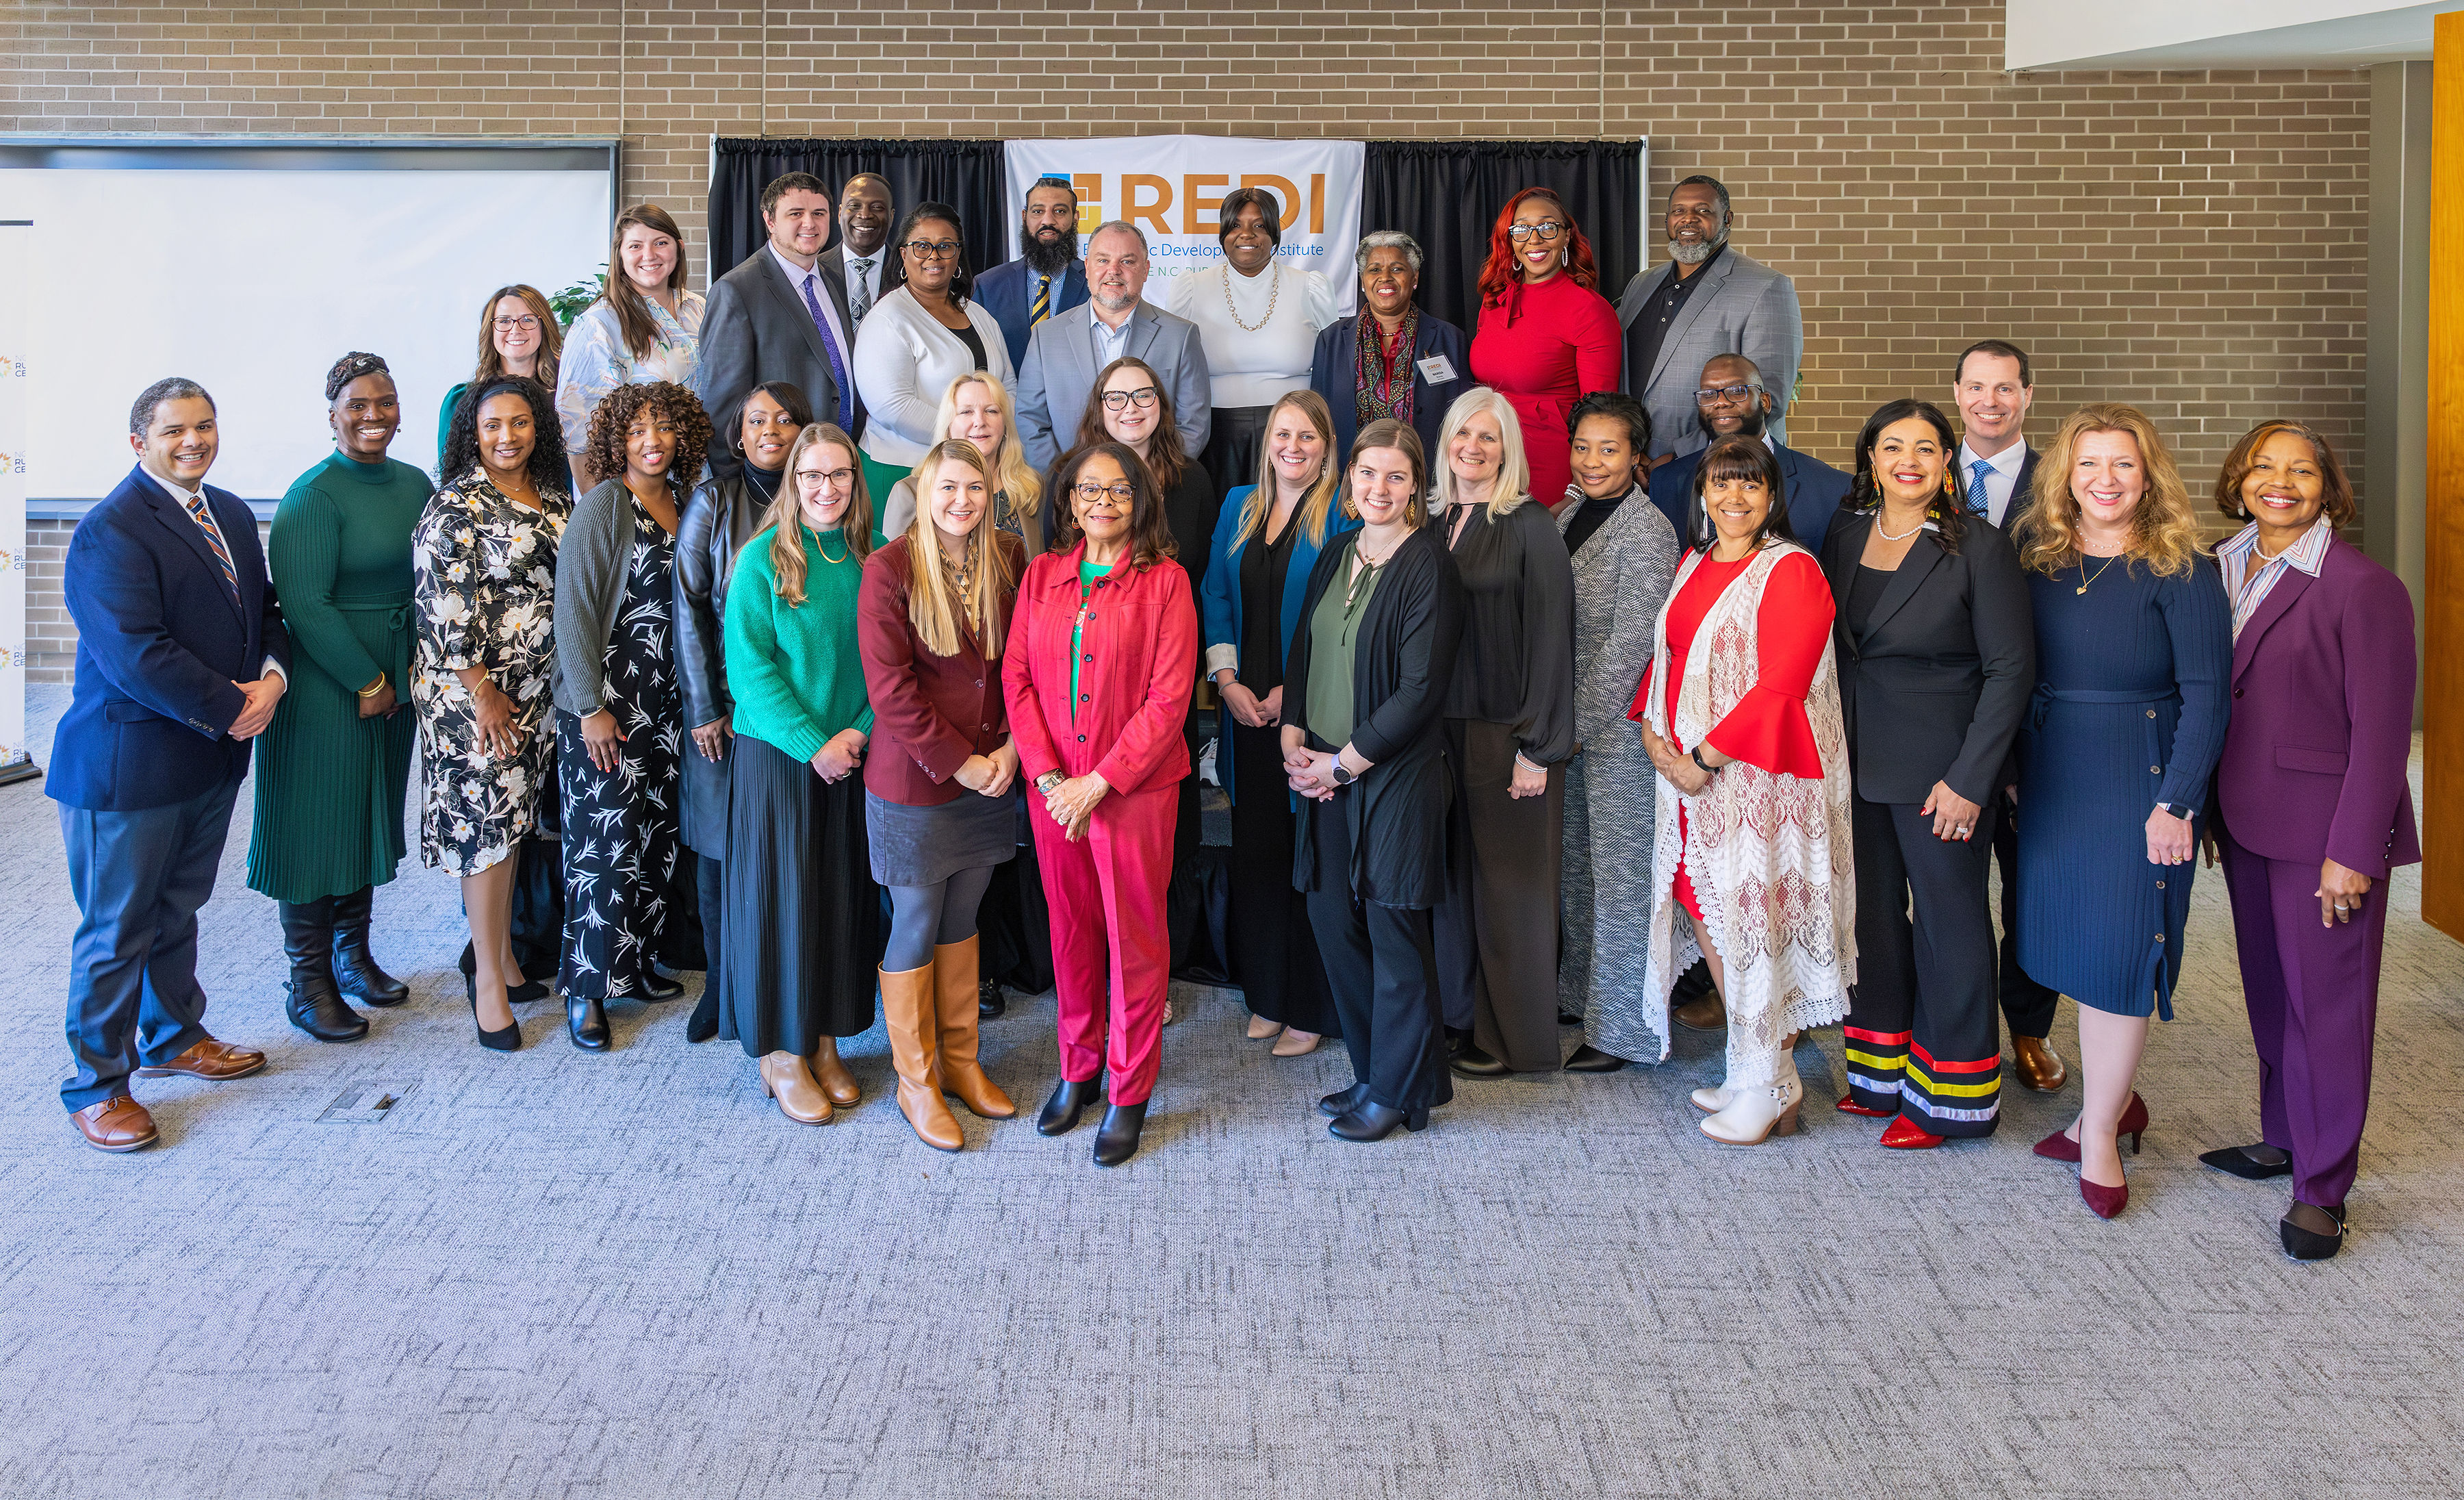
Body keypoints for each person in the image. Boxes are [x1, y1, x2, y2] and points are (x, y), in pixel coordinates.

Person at [51, 378, 287, 1151]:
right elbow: (136, 655)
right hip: (128, 766)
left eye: (205, 426)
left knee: (176, 910)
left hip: (207, 758)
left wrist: (273, 680)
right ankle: (95, 1084)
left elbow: (266, 614)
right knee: (118, 928)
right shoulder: (110, 530)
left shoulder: (228, 512)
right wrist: (232, 706)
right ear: (138, 443)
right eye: (175, 430)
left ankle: (173, 1037)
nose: (194, 440)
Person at [2201, 420, 2416, 1261]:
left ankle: (2323, 1187)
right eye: (2263, 467)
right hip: (2247, 820)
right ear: (2239, 478)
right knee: (2268, 992)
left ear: (2328, 487)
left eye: (2301, 471)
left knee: (2328, 1005)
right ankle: (2285, 1135)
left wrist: (2356, 848)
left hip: (2325, 833)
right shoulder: (2220, 565)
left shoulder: (2361, 587)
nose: (2279, 483)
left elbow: (2382, 735)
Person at [2012, 403, 2231, 1219]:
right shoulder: (2042, 558)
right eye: (2090, 464)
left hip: (2143, 774)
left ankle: (2098, 1134)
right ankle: (2115, 1102)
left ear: (2150, 476)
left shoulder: (2181, 567)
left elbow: (2209, 701)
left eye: (2124, 465)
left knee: (2118, 957)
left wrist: (2177, 803)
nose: (2106, 480)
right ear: (2065, 474)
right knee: (2067, 944)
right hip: (2057, 770)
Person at [1819, 399, 2035, 1147]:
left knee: (1950, 925)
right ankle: (1880, 1077)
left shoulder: (1979, 546)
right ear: (1870, 459)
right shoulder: (1845, 532)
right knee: (1871, 922)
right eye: (1891, 446)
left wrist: (1972, 778)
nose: (1907, 459)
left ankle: (1953, 1098)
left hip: (1942, 773)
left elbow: (2010, 670)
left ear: (1948, 462)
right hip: (1854, 765)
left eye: (1925, 447)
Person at [1631, 435, 1855, 1145]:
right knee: (1713, 913)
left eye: (1749, 486)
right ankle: (1754, 1069)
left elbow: (1782, 686)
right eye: (1721, 485)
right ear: (1702, 493)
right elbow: (1668, 653)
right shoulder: (1693, 560)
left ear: (1770, 496)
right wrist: (1650, 730)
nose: (1733, 499)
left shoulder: (1791, 569)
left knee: (1763, 926)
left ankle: (1771, 1081)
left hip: (1761, 782)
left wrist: (1703, 756)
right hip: (1694, 781)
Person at [1005, 442, 1200, 1168]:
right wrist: (1052, 778)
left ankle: (1129, 1087)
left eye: (1119, 490)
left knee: (1135, 942)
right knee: (1072, 935)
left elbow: (1170, 698)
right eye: (1090, 490)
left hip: (1134, 793)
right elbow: (1017, 680)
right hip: (1054, 794)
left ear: (1140, 500)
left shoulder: (1166, 582)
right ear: (1070, 501)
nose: (1104, 502)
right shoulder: (1043, 577)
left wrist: (1101, 782)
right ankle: (1079, 1068)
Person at [1281, 420, 1466, 1140]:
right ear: (1349, 478)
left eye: (1395, 476)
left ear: (1417, 484)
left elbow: (1420, 689)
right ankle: (1379, 1072)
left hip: (1393, 774)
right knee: (1336, 924)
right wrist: (1296, 733)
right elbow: (1306, 646)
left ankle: (1394, 1091)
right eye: (1367, 474)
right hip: (1322, 762)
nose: (1379, 489)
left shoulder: (1429, 564)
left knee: (1392, 931)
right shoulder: (1335, 551)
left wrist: (1342, 763)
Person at [246, 352, 430, 1045]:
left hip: (395, 677)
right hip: (332, 683)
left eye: (384, 402)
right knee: (316, 825)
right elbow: (305, 605)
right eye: (357, 405)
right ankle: (308, 981)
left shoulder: (414, 483)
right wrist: (369, 680)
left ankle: (354, 958)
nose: (373, 415)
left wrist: (405, 674)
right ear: (333, 416)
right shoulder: (312, 494)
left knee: (365, 814)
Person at [858, 437, 1029, 1149]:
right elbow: (891, 693)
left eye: (975, 489)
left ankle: (962, 1062)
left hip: (993, 770)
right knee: (919, 914)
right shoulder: (888, 568)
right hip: (920, 780)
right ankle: (916, 1079)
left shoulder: (1010, 556)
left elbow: (1027, 662)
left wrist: (1014, 752)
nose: (962, 501)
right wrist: (964, 763)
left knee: (966, 910)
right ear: (924, 493)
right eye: (948, 488)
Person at [721, 423, 885, 1125]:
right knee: (782, 902)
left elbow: (889, 664)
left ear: (857, 483)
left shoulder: (867, 559)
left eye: (840, 476)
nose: (826, 489)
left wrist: (859, 733)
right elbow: (750, 672)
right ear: (793, 483)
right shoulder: (762, 561)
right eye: (812, 476)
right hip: (782, 761)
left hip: (849, 755)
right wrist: (812, 742)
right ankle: (779, 1054)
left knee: (833, 900)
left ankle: (819, 1039)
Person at [552, 381, 712, 1048]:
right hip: (608, 708)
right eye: (639, 429)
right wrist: (589, 708)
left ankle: (637, 962)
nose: (653, 441)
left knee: (654, 843)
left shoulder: (683, 503)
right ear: (618, 439)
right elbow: (574, 612)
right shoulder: (603, 507)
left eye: (665, 428)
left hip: (667, 709)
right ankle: (586, 992)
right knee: (604, 850)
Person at [415, 375, 572, 1051]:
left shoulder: (555, 497)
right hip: (475, 697)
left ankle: (505, 958)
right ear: (471, 434)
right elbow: (439, 607)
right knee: (489, 833)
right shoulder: (455, 506)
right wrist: (482, 690)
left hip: (535, 691)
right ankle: (486, 985)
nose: (506, 436)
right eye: (492, 426)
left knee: (513, 825)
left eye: (518, 422)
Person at [1201, 390, 1357, 1057]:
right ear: (1267, 442)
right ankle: (1265, 993)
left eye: (1308, 438)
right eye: (1283, 435)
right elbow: (1214, 592)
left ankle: (1308, 1006)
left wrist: (1285, 694)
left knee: (1307, 862)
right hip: (1244, 717)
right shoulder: (1239, 504)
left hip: (1307, 717)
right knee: (1258, 857)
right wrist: (1229, 681)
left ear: (1327, 448)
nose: (1293, 447)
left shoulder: (1342, 518)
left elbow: (1339, 622)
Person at [1428, 387, 1576, 1080]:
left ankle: (1516, 1040)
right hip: (1437, 733)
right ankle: (1461, 1021)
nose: (1474, 448)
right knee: (1455, 885)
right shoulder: (1427, 520)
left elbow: (1553, 640)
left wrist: (1539, 748)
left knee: (1511, 890)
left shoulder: (1529, 524)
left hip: (1505, 734)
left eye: (1489, 437)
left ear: (1506, 448)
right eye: (1464, 434)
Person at [674, 381, 811, 1045]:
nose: (771, 431)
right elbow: (690, 608)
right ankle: (719, 982)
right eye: (758, 419)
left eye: (786, 420)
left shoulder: (817, 499)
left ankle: (774, 981)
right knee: (720, 852)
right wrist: (703, 706)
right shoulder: (714, 501)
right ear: (738, 432)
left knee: (779, 856)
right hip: (723, 712)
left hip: (792, 713)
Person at [1551, 393, 1681, 1074]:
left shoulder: (1648, 529)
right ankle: (1579, 997)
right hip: (1567, 729)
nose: (1594, 461)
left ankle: (1624, 1029)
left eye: (1610, 449)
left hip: (1620, 733)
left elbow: (1634, 643)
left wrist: (1572, 723)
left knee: (1623, 880)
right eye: (1584, 447)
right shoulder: (1565, 513)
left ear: (1637, 457)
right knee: (1577, 872)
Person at [1950, 338, 2061, 1090]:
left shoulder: (2066, 484)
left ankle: (2028, 1026)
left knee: (2031, 891)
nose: (1991, 401)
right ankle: (1953, 1027)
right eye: (1977, 387)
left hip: (2037, 726)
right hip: (1942, 723)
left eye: (2006, 388)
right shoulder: (1918, 471)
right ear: (1956, 392)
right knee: (1949, 892)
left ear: (2028, 395)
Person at [1617, 175, 1805, 461]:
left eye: (1703, 210)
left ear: (1727, 218)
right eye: (1679, 211)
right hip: (1634, 461)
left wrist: (1677, 455)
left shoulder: (1766, 286)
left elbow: (1768, 402)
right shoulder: (1641, 285)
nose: (1688, 219)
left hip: (1718, 463)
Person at [1170, 186, 1339, 499]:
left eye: (1259, 225)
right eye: (1236, 225)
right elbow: (1171, 368)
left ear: (1274, 234)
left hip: (1294, 439)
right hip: (1213, 436)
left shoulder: (1310, 287)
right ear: (1223, 234)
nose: (1246, 235)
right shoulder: (1191, 288)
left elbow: (1336, 364)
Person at [694, 172, 859, 476]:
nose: (809, 224)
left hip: (834, 470)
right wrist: (740, 486)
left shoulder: (834, 280)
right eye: (796, 214)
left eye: (818, 214)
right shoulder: (737, 290)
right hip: (774, 478)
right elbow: (722, 410)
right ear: (770, 221)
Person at [1467, 188, 1621, 511]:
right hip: (1489, 454)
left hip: (1547, 460)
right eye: (1521, 229)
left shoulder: (1589, 309)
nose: (1534, 239)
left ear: (1566, 237)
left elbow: (1599, 415)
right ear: (1509, 240)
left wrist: (1577, 490)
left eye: (1547, 227)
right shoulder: (1495, 301)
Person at [1016, 221, 1211, 474]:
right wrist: (1065, 481)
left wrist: (1155, 478)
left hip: (1154, 492)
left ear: (1146, 270)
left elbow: (1193, 424)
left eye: (1127, 262)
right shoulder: (1046, 335)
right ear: (1087, 268)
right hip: (1069, 494)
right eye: (1103, 260)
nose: (1113, 271)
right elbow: (1030, 420)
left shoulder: (1181, 336)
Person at [853, 201, 1014, 503]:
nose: (934, 256)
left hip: (971, 471)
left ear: (958, 256)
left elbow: (1007, 386)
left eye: (945, 246)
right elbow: (891, 405)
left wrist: (990, 438)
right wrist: (969, 434)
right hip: (902, 472)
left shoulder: (978, 314)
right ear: (904, 254)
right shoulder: (887, 318)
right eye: (922, 246)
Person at [559, 203, 705, 494]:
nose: (649, 255)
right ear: (620, 255)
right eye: (636, 246)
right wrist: (602, 508)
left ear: (678, 247)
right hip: (632, 489)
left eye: (660, 243)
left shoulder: (699, 309)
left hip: (701, 482)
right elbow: (578, 433)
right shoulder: (598, 325)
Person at [1647, 353, 1851, 550]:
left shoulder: (1831, 487)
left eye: (1737, 390)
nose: (1721, 402)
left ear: (1765, 402)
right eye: (1708, 394)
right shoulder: (1666, 482)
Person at [1309, 231, 1470, 463]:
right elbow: (1318, 417)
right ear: (1363, 280)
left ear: (1414, 278)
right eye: (1374, 269)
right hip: (1351, 475)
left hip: (1427, 474)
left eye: (1397, 269)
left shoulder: (1450, 340)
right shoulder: (1331, 340)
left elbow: (1463, 416)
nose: (1385, 277)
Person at [880, 371, 1047, 552]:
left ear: (1005, 423)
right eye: (966, 412)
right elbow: (892, 573)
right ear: (948, 426)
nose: (979, 421)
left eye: (991, 411)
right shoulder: (911, 493)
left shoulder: (1030, 487)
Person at [438, 285, 563, 471]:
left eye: (527, 320)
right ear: (491, 330)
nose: (516, 329)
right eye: (504, 321)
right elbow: (451, 472)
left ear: (544, 326)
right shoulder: (462, 400)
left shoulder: (567, 396)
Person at [975, 175, 1090, 370]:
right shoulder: (988, 286)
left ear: (1075, 218)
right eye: (1038, 211)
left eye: (1060, 211)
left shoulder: (1095, 282)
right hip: (1008, 398)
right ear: (1025, 217)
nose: (1048, 221)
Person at [823, 173, 895, 333]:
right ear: (841, 213)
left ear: (891, 216)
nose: (865, 215)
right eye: (854, 206)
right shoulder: (814, 271)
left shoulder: (911, 272)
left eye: (877, 207)